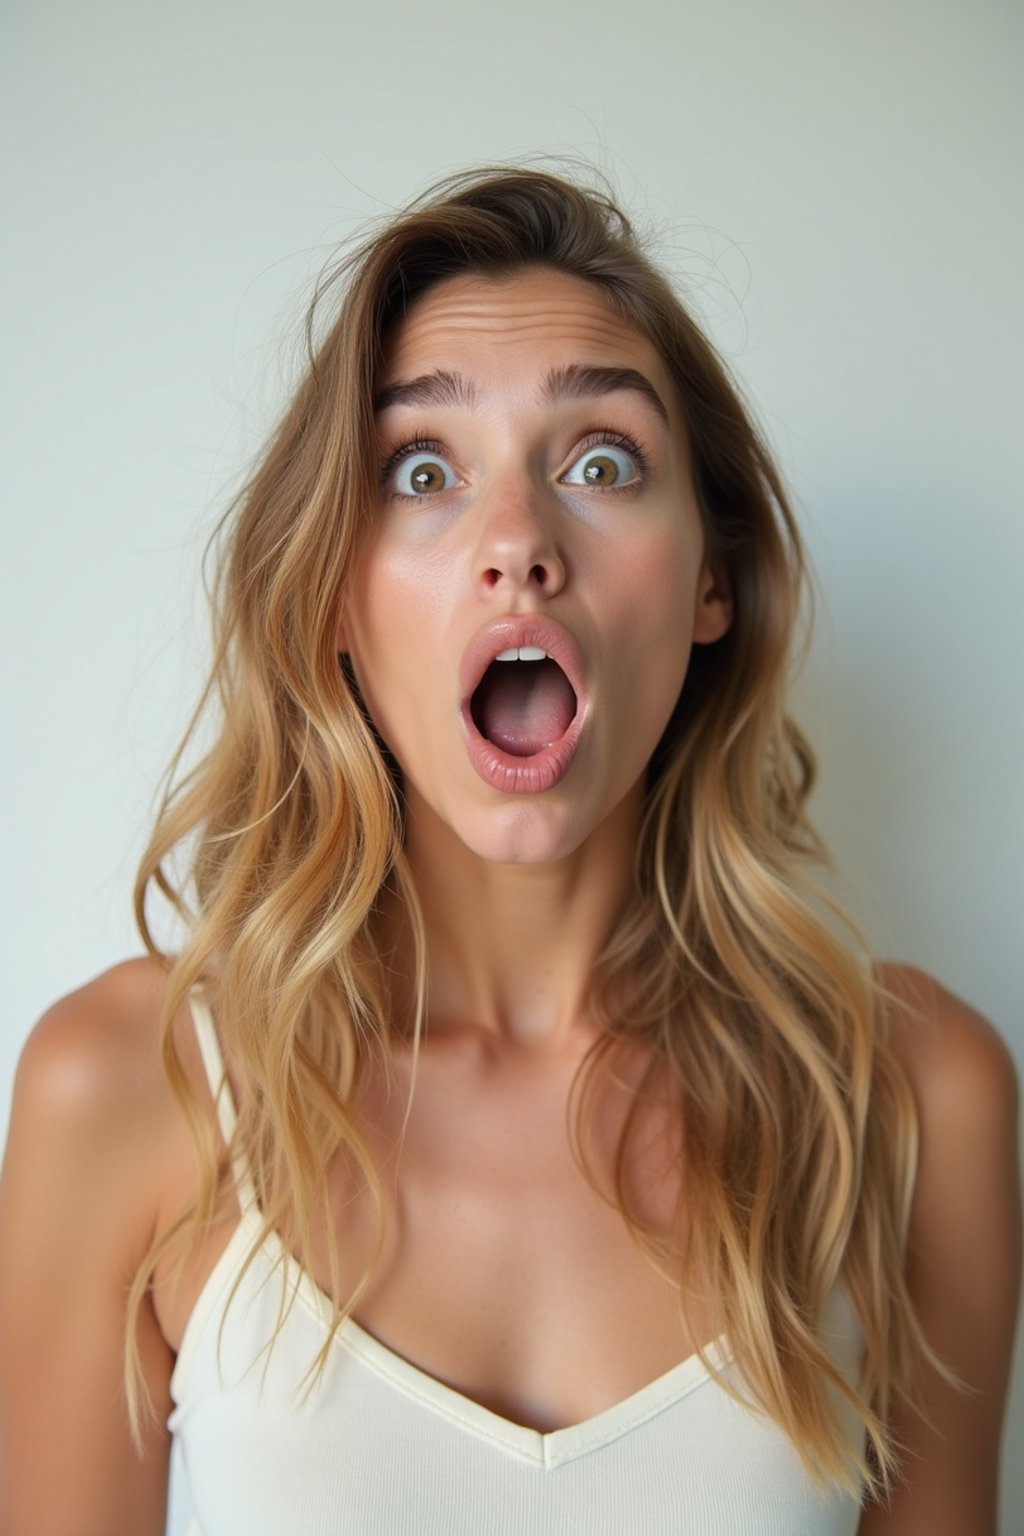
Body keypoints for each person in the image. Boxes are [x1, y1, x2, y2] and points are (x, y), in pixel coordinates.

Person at [0, 166, 1019, 1536]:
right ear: (338, 602)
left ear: (713, 579)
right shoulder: (131, 1089)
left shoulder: (910, 1103)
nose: (519, 545)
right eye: (423, 471)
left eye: (601, 461)